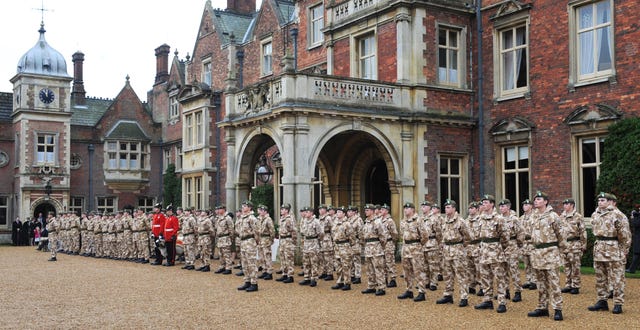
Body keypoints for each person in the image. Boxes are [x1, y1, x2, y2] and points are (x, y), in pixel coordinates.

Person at [588, 192, 631, 314]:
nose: (600, 202)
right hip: (599, 249)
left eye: (603, 200)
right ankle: (602, 301)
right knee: (600, 277)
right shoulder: (595, 215)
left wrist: (624, 251)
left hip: (613, 250)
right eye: (599, 200)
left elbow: (625, 236)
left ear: (609, 202)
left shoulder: (618, 215)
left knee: (617, 278)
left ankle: (618, 303)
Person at [527, 191, 565, 321]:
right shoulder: (533, 216)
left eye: (539, 199)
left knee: (554, 283)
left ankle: (557, 309)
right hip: (537, 254)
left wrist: (560, 251)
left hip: (550, 253)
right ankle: (542, 307)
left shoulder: (553, 216)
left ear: (545, 201)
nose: (536, 201)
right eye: (535, 199)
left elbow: (561, 235)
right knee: (541, 283)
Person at [474, 194, 509, 313]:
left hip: (496, 251)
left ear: (492, 204)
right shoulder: (480, 218)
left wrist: (500, 248)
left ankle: (502, 302)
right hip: (483, 251)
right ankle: (487, 300)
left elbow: (505, 237)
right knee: (485, 278)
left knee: (499, 278)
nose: (484, 204)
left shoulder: (499, 218)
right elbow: (478, 235)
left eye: (486, 202)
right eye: (482, 202)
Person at [436, 199, 471, 307]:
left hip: (458, 250)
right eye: (445, 207)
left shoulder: (460, 221)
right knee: (447, 274)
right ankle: (448, 295)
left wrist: (460, 246)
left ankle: (464, 297)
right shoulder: (444, 220)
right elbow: (442, 235)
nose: (446, 209)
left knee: (461, 275)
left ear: (454, 208)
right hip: (447, 251)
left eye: (449, 207)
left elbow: (468, 237)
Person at [397, 202, 429, 302]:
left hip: (416, 248)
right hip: (406, 247)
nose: (405, 210)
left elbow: (425, 236)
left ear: (413, 210)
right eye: (404, 208)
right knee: (407, 271)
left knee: (418, 271)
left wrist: (418, 245)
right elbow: (402, 234)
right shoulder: (403, 221)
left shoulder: (418, 220)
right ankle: (409, 290)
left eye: (407, 208)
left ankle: (421, 292)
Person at [498, 199, 524, 302]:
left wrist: (519, 244)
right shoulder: (498, 219)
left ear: (508, 207)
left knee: (514, 270)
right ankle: (506, 291)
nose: (501, 208)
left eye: (503, 206)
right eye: (500, 206)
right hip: (502, 247)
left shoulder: (514, 219)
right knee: (503, 270)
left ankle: (518, 292)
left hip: (512, 245)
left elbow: (521, 232)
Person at [560, 198, 586, 294]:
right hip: (565, 245)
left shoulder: (578, 217)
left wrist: (583, 245)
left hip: (575, 244)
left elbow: (583, 232)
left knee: (575, 266)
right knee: (566, 266)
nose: (564, 205)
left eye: (566, 204)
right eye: (564, 204)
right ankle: (568, 284)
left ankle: (575, 285)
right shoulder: (561, 216)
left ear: (572, 205)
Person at [360, 204, 388, 296]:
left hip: (376, 248)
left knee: (378, 268)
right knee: (369, 269)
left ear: (372, 211)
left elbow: (383, 236)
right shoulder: (366, 222)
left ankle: (381, 287)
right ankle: (371, 286)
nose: (366, 212)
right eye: (365, 210)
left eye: (367, 210)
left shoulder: (377, 222)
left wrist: (380, 246)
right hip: (368, 248)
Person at [236, 200, 260, 292]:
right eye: (242, 206)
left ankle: (254, 283)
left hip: (250, 242)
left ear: (249, 208)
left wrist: (255, 242)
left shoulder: (252, 218)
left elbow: (257, 231)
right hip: (243, 242)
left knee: (251, 263)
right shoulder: (242, 218)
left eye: (245, 206)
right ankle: (247, 281)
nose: (243, 208)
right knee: (245, 264)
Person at [330, 206, 355, 291]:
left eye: (340, 212)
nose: (338, 214)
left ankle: (347, 283)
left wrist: (349, 245)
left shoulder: (347, 224)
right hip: (337, 247)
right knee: (338, 266)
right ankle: (339, 281)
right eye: (337, 212)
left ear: (344, 214)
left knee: (346, 266)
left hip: (345, 246)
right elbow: (333, 234)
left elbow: (352, 236)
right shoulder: (335, 223)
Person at [299, 206, 323, 287]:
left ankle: (314, 278)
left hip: (313, 243)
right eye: (305, 212)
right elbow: (302, 232)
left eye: (307, 212)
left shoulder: (316, 221)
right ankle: (307, 278)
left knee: (314, 262)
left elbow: (321, 233)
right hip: (306, 243)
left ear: (311, 213)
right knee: (306, 262)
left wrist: (316, 240)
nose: (306, 213)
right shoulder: (304, 221)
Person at [420, 201, 441, 291]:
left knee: (433, 265)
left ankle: (433, 282)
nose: (423, 208)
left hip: (432, 243)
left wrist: (437, 242)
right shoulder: (420, 218)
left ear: (429, 208)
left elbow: (439, 233)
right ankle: (426, 281)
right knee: (424, 265)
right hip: (422, 244)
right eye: (422, 206)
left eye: (425, 206)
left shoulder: (434, 218)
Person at [276, 203, 297, 283]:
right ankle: (284, 274)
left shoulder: (289, 219)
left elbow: (293, 231)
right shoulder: (281, 219)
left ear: (287, 210)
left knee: (289, 259)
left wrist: (293, 241)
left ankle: (290, 276)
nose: (281, 210)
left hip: (288, 240)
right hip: (282, 240)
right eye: (281, 209)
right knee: (283, 258)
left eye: (283, 209)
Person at [379, 204, 398, 288]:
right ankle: (384, 278)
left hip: (388, 243)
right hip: (381, 244)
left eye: (383, 209)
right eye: (381, 209)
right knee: (382, 262)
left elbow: (394, 233)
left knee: (389, 261)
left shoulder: (390, 221)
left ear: (387, 211)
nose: (381, 211)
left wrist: (391, 241)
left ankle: (393, 279)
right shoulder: (379, 220)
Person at [520, 199, 537, 291]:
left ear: (531, 206)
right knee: (526, 263)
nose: (524, 206)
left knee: (533, 262)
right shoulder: (521, 218)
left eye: (526, 205)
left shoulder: (535, 216)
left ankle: (535, 281)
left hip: (532, 243)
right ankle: (529, 280)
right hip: (524, 244)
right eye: (523, 205)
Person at [256, 204, 275, 280]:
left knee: (267, 256)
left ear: (264, 211)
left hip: (266, 239)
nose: (259, 211)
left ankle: (269, 272)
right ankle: (264, 271)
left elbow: (272, 231)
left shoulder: (268, 219)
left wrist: (271, 239)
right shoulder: (259, 219)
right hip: (260, 239)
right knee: (261, 257)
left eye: (260, 210)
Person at [214, 205, 235, 274]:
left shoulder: (228, 218)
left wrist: (230, 238)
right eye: (218, 209)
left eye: (220, 209)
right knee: (221, 254)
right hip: (220, 238)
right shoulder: (219, 218)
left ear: (224, 209)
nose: (218, 210)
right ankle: (222, 266)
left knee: (227, 254)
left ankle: (228, 268)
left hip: (225, 238)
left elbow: (231, 229)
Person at [317, 205, 335, 281]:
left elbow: (332, 229)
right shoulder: (320, 218)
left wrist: (332, 240)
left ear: (325, 210)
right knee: (322, 257)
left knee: (328, 257)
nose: (320, 210)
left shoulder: (328, 218)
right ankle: (324, 272)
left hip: (327, 239)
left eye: (322, 209)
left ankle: (330, 273)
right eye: (319, 209)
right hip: (321, 239)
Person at [347, 206, 363, 284]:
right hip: (350, 241)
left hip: (356, 241)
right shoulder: (349, 220)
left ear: (354, 212)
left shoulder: (358, 220)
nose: (348, 213)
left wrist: (360, 242)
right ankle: (352, 275)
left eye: (350, 211)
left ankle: (358, 276)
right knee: (351, 259)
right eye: (348, 211)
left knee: (356, 260)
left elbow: (360, 231)